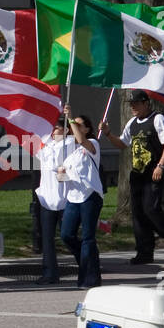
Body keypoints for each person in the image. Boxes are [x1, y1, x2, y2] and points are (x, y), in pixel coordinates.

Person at [99, 90, 164, 264]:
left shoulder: (158, 119)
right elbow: (122, 144)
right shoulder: (132, 123)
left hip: (154, 173)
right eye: (131, 104)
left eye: (136, 103)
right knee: (138, 214)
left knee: (151, 209)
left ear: (146, 103)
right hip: (137, 174)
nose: (133, 107)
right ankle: (144, 252)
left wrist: (161, 165)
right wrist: (108, 133)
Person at [60, 107, 104, 289]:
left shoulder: (92, 143)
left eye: (79, 125)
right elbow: (65, 177)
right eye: (73, 124)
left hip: (90, 195)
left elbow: (81, 139)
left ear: (86, 129)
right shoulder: (71, 153)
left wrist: (70, 118)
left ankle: (89, 277)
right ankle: (87, 264)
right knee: (66, 235)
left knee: (87, 237)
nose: (74, 127)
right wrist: (61, 173)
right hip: (73, 196)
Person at [33, 120, 69, 285]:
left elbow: (59, 166)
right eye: (51, 129)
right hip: (47, 198)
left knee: (68, 236)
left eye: (57, 128)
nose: (53, 131)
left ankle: (86, 265)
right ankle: (49, 273)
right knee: (47, 238)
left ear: (66, 130)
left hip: (65, 197)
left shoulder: (69, 145)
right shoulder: (45, 147)